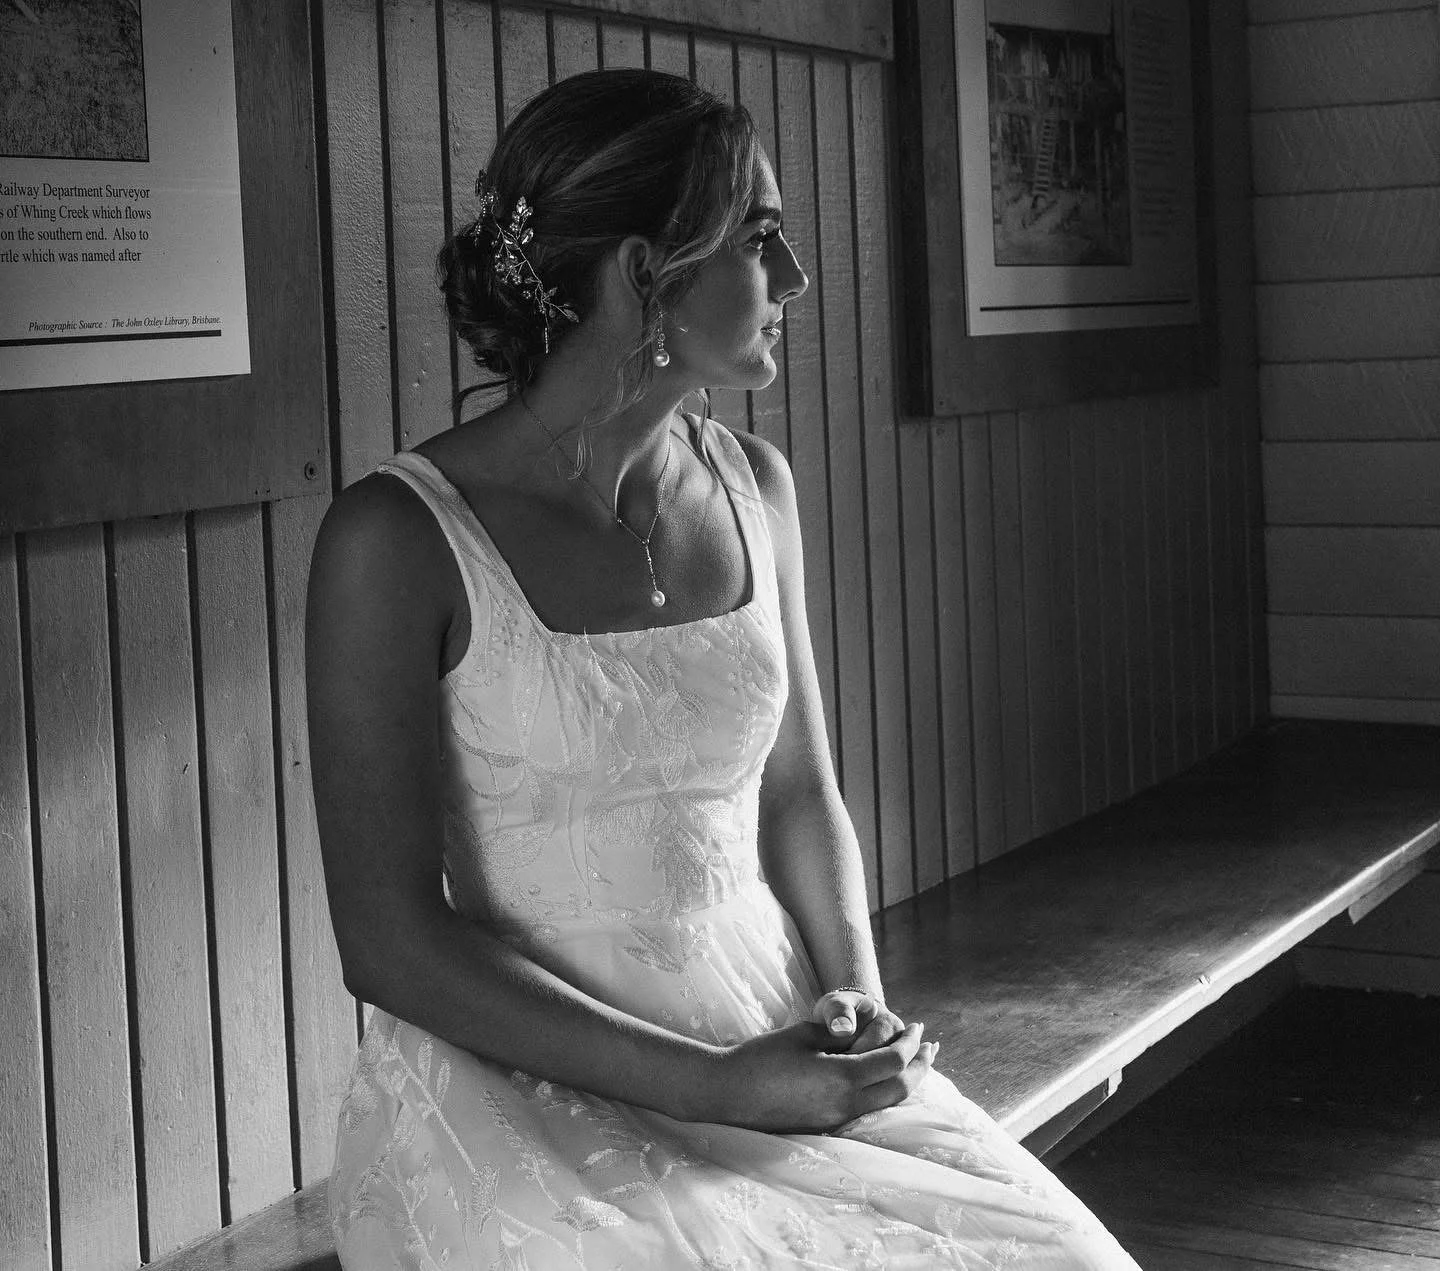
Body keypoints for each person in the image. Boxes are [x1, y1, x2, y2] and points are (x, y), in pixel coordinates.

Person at [307, 69, 1140, 1268]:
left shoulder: (758, 488)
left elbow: (799, 794)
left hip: (770, 1020)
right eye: (760, 237)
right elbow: (385, 936)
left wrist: (853, 1007)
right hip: (521, 1079)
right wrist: (719, 1086)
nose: (794, 275)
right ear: (649, 273)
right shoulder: (396, 537)